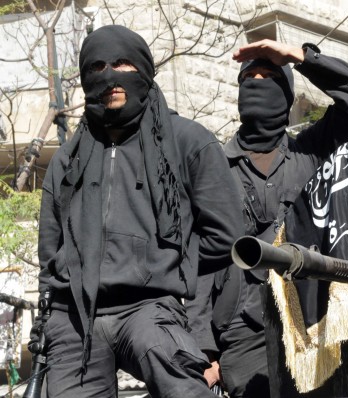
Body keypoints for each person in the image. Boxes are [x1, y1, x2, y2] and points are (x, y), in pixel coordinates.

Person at [32, 25, 244, 397]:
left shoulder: (186, 140)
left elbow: (226, 234)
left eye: (123, 64)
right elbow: (50, 251)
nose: (110, 77)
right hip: (75, 318)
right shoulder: (67, 158)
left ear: (144, 70)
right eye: (96, 68)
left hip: (150, 307)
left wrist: (169, 263)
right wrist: (48, 320)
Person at [186, 39, 348, 397]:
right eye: (250, 78)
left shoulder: (313, 150)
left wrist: (299, 57)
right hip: (241, 333)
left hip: (312, 321)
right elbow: (201, 263)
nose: (258, 82)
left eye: (270, 75)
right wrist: (203, 351)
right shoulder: (212, 166)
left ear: (287, 93)